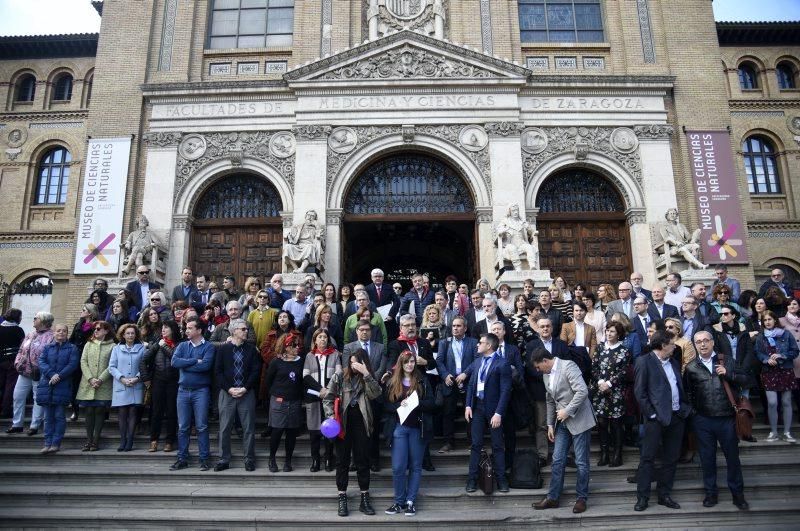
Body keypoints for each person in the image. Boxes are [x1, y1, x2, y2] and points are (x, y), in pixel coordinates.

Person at [683, 331, 750, 510]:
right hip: (703, 421)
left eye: (706, 341)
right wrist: (694, 414)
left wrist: (729, 374)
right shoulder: (691, 367)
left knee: (733, 459)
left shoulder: (726, 360)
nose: (702, 344)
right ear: (695, 345)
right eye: (698, 342)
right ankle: (711, 494)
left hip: (726, 418)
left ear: (712, 342)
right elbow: (687, 394)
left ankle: (738, 495)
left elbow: (746, 379)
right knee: (707, 459)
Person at [531, 347, 595, 514]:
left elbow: (582, 391)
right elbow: (550, 400)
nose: (537, 370)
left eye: (538, 366)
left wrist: (567, 411)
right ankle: (553, 498)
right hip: (562, 423)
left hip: (579, 418)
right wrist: (550, 424)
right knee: (558, 460)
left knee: (581, 462)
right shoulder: (546, 375)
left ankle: (581, 498)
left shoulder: (568, 366)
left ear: (545, 361)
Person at [633, 330, 692, 512]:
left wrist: (683, 409)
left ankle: (664, 495)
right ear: (662, 345)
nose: (675, 347)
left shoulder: (674, 362)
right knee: (647, 458)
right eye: (672, 344)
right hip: (655, 419)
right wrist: (652, 415)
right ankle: (642, 497)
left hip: (676, 417)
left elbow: (679, 387)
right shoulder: (644, 361)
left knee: (671, 458)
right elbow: (640, 393)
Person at [323, 347, 382, 517]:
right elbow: (328, 398)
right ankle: (342, 496)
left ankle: (364, 497)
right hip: (343, 423)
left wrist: (367, 374)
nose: (354, 364)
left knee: (362, 460)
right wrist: (331, 416)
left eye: (358, 362)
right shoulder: (340, 376)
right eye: (352, 361)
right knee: (342, 461)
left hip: (362, 423)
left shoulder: (368, 378)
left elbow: (376, 394)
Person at [384, 350, 436, 517]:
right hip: (399, 427)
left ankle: (410, 501)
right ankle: (398, 501)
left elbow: (432, 403)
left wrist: (416, 403)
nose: (409, 365)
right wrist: (401, 405)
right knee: (398, 467)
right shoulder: (393, 381)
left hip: (417, 428)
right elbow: (386, 405)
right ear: (401, 363)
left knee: (415, 466)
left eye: (412, 361)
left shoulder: (422, 380)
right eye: (406, 362)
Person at [464, 333, 512, 493]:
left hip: (494, 409)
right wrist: (468, 405)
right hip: (477, 407)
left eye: (480, 343)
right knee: (476, 444)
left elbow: (506, 390)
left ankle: (501, 479)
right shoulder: (477, 362)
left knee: (497, 445)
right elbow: (471, 385)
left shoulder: (502, 363)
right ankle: (472, 479)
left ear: (489, 346)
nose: (477, 345)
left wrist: (499, 413)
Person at [214, 318, 261, 472]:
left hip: (246, 394)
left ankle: (249, 459)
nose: (246, 331)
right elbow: (218, 372)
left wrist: (245, 388)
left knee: (248, 428)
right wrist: (229, 389)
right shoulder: (223, 349)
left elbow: (256, 371)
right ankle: (224, 459)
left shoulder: (251, 349)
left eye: (246, 329)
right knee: (225, 428)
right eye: (243, 329)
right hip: (227, 393)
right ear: (234, 331)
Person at [170, 317, 215, 471]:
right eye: (186, 327)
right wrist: (196, 361)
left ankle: (204, 459)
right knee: (183, 427)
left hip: (201, 391)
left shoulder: (208, 347)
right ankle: (182, 458)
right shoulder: (182, 345)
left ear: (199, 330)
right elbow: (174, 363)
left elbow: (206, 366)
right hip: (182, 391)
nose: (186, 330)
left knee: (201, 426)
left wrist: (187, 363)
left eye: (190, 328)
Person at [263, 331, 305, 473]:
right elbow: (268, 381)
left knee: (291, 432)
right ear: (286, 347)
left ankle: (288, 460)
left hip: (295, 401)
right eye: (294, 345)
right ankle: (272, 458)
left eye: (298, 345)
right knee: (277, 430)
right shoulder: (276, 361)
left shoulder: (301, 361)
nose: (297, 347)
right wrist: (276, 394)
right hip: (279, 400)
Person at [754, 310, 799, 442]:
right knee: (772, 403)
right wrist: (766, 359)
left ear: (775, 320)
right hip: (769, 371)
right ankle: (773, 432)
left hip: (785, 370)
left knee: (786, 402)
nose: (767, 322)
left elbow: (795, 351)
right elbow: (758, 353)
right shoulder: (761, 336)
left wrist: (782, 355)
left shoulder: (786, 333)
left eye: (769, 319)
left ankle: (787, 432)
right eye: (765, 320)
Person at [9, 311, 55, 435]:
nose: (33, 319)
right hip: (24, 371)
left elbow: (50, 356)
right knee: (17, 396)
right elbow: (21, 349)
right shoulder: (30, 334)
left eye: (36, 318)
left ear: (44, 321)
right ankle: (17, 424)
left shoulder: (51, 336)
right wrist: (17, 362)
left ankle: (34, 425)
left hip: (39, 373)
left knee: (37, 399)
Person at [436, 316, 477, 453]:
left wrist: (466, 373)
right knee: (448, 413)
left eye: (459, 326)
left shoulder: (473, 342)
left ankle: (472, 442)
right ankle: (448, 443)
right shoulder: (444, 343)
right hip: (450, 382)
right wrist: (445, 375)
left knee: (470, 413)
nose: (455, 328)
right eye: (453, 326)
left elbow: (477, 360)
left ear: (465, 328)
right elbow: (439, 361)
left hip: (468, 381)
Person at [591, 322, 630, 468]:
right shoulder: (600, 348)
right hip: (600, 390)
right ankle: (604, 453)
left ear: (618, 334)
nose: (608, 333)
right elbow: (594, 367)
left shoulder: (624, 350)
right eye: (607, 331)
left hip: (616, 391)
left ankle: (617, 454)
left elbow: (624, 370)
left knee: (616, 424)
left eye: (612, 331)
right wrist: (601, 382)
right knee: (602, 423)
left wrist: (610, 384)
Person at [36, 324, 79, 454]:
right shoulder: (47, 348)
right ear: (54, 333)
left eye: (64, 331)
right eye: (58, 330)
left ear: (67, 333)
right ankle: (47, 443)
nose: (61, 333)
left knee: (59, 416)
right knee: (48, 417)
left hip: (63, 386)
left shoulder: (72, 348)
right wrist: (51, 374)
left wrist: (59, 376)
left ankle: (56, 443)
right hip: (47, 385)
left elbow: (72, 364)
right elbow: (41, 362)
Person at [303, 329, 342, 473]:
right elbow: (306, 376)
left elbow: (338, 373)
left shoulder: (335, 354)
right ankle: (315, 460)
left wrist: (328, 390)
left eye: (325, 337)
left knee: (329, 430)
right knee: (314, 430)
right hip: (314, 396)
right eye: (320, 337)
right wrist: (320, 389)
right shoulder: (309, 355)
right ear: (315, 340)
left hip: (330, 397)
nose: (323, 339)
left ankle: (328, 459)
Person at [140, 320, 181, 453]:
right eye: (162, 328)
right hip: (158, 380)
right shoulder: (157, 343)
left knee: (171, 411)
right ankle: (153, 440)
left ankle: (169, 441)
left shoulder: (179, 344)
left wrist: (164, 346)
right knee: (156, 411)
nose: (163, 330)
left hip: (173, 381)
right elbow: (143, 360)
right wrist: (145, 378)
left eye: (166, 328)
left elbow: (175, 359)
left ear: (173, 330)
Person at [75, 321, 114, 451]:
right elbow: (83, 361)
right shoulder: (88, 344)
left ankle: (96, 440)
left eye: (98, 329)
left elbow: (112, 365)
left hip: (104, 384)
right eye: (94, 329)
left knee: (99, 410)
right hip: (88, 383)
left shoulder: (113, 346)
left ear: (106, 331)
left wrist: (100, 379)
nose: (95, 331)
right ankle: (89, 440)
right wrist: (90, 378)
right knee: (89, 411)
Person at [109, 323, 146, 452]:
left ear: (136, 335)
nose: (130, 335)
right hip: (121, 384)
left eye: (132, 333)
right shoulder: (116, 349)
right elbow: (112, 367)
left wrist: (137, 378)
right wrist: (122, 378)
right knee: (122, 414)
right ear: (123, 335)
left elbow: (145, 366)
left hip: (136, 384)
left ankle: (130, 440)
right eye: (128, 333)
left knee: (133, 413)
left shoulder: (142, 348)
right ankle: (123, 440)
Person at [0, 309, 25, 419]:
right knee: (10, 386)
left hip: (1, 361)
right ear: (17, 317)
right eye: (20, 316)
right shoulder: (18, 330)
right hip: (13, 361)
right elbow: (23, 347)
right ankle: (5, 410)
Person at [779, 298, 800, 414]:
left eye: (794, 304)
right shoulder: (781, 321)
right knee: (794, 390)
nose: (792, 306)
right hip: (789, 359)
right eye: (789, 304)